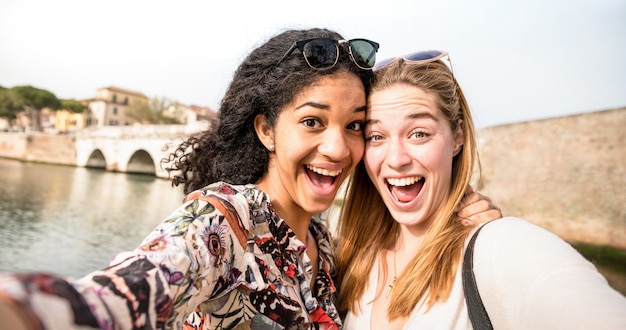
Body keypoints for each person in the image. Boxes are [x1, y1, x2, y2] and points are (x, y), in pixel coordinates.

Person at [0, 31, 499, 329]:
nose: (338, 148)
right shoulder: (222, 222)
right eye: (312, 122)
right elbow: (122, 294)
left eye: (354, 126)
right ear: (265, 128)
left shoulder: (325, 248)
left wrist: (453, 217)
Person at [335, 50, 626, 329]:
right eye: (376, 136)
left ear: (457, 137)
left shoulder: (499, 246)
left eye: (419, 133)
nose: (396, 159)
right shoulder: (353, 262)